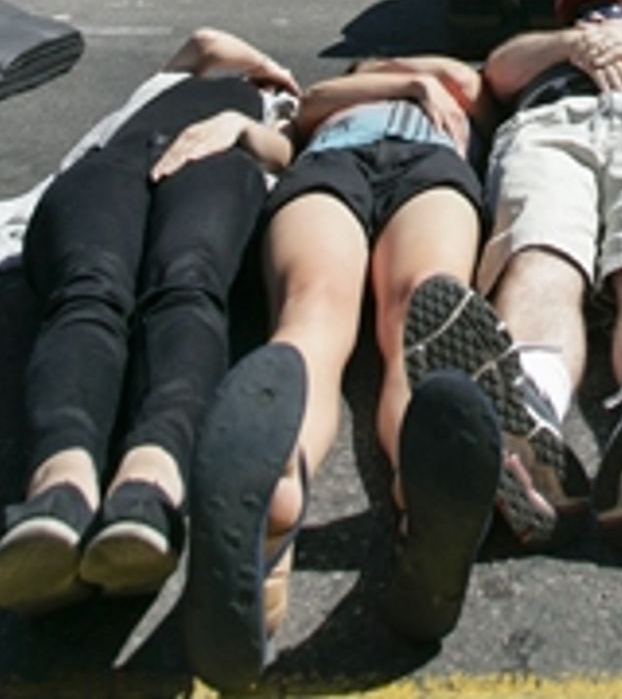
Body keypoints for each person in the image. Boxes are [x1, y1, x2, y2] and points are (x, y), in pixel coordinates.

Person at [182, 54, 501, 684]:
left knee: (422, 315)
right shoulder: (352, 94)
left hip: (431, 167)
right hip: (329, 165)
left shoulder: (466, 87)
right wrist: (410, 82)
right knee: (315, 304)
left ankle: (421, 495)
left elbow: (472, 91)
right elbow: (307, 110)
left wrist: (424, 80)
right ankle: (278, 483)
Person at [402, 0, 622, 558]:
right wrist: (568, 46)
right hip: (552, 126)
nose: (595, 20)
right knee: (541, 254)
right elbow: (500, 71)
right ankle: (528, 417)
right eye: (581, 14)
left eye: (606, 11)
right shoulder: (543, 55)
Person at [0, 28, 298, 616]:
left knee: (186, 282)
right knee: (91, 286)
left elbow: (295, 159)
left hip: (221, 164)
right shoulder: (167, 83)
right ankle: (57, 495)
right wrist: (268, 65)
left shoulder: (280, 113)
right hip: (111, 167)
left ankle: (149, 489)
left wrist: (249, 122)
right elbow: (206, 40)